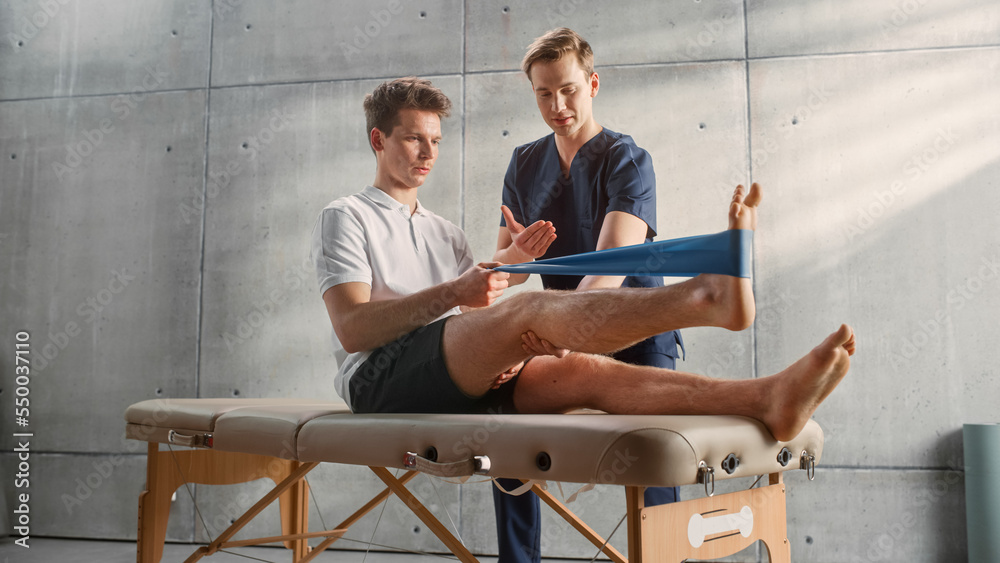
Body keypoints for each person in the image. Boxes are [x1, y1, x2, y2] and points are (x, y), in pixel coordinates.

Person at [311, 75, 854, 549]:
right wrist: (462, 298)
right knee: (530, 310)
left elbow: (475, 318)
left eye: (434, 140)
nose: (427, 153)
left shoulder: (443, 232)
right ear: (378, 140)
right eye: (412, 139)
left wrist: (510, 300)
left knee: (583, 370)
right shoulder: (347, 216)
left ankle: (766, 399)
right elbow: (354, 327)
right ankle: (703, 298)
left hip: (449, 373)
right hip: (377, 378)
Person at [490, 28, 684, 561]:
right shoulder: (523, 164)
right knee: (506, 432)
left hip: (635, 329)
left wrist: (558, 340)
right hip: (559, 332)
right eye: (544, 94)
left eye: (569, 90)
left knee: (653, 454)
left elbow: (609, 268)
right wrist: (510, 263)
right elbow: (506, 272)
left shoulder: (627, 158)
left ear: (592, 84)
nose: (558, 105)